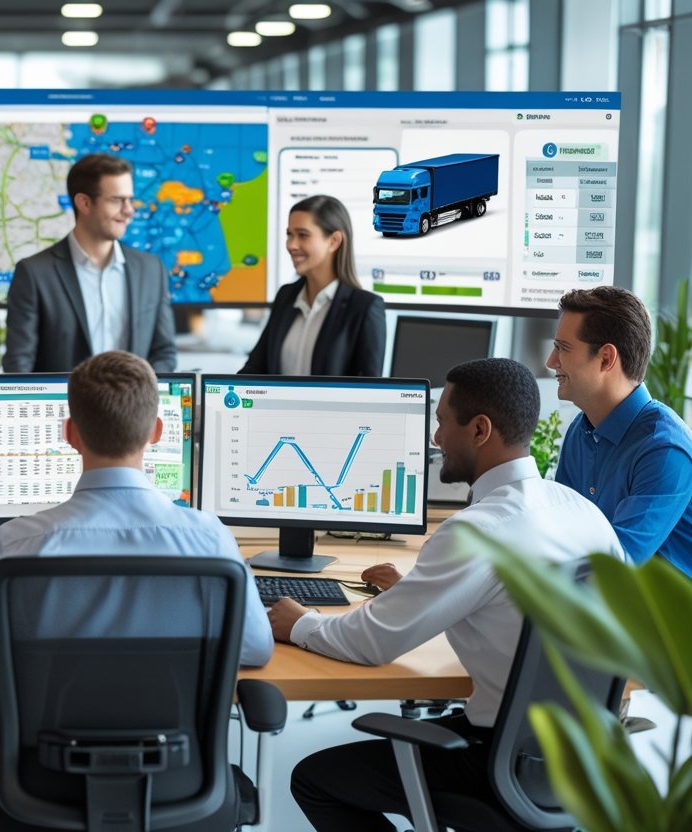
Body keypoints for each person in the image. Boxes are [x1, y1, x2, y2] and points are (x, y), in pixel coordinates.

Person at [270, 358, 622, 830]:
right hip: (577, 764)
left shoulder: (478, 530)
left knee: (315, 780)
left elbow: (370, 643)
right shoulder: (583, 513)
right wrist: (419, 593)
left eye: (441, 421)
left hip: (497, 766)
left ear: (479, 429)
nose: (436, 439)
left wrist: (299, 623)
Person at [0, 350, 272, 668]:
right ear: (157, 431)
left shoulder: (17, 542)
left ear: (70, 434)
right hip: (169, 707)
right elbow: (256, 649)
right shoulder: (209, 539)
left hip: (59, 707)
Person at [547, 285, 692, 577]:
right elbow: (559, 533)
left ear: (605, 358)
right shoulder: (581, 429)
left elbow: (616, 568)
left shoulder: (664, 449)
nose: (551, 362)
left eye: (562, 348)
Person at [1, 153, 177, 373]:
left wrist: (141, 390)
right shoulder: (34, 273)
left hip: (137, 396)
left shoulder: (151, 269)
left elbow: (164, 353)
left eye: (130, 200)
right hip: (64, 397)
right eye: (117, 200)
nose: (129, 210)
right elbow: (18, 365)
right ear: (84, 203)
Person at [240, 194, 385, 376]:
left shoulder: (364, 308)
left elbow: (369, 389)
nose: (291, 245)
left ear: (334, 241)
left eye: (303, 235)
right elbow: (255, 368)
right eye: (289, 235)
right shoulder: (286, 296)